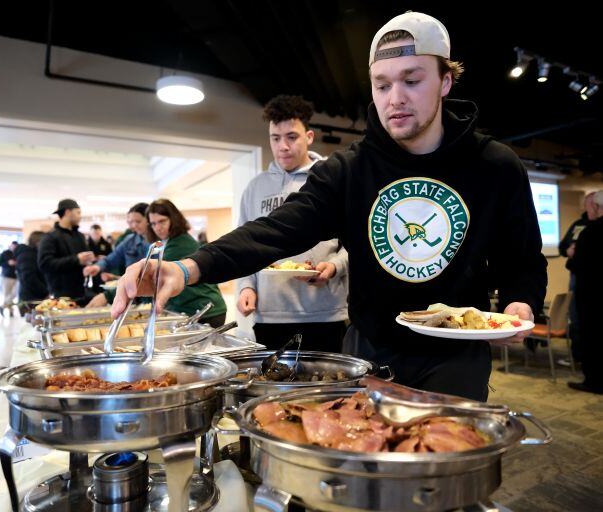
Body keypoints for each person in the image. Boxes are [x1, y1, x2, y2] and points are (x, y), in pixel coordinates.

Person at [112, 12, 547, 402]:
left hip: (456, 358)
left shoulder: (494, 165)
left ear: (445, 81)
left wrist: (519, 305)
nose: (394, 97)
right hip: (373, 351)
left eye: (412, 80)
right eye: (382, 84)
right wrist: (187, 268)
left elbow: (522, 260)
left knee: (448, 480)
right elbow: (276, 230)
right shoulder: (349, 170)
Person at [236, 95, 348, 351]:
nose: (283, 146)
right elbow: (245, 246)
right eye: (276, 138)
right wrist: (245, 287)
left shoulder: (330, 179)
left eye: (291, 137)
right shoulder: (255, 188)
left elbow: (357, 241)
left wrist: (334, 266)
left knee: (329, 389)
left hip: (325, 314)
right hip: (269, 315)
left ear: (308, 137)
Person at [147, 199, 227, 327]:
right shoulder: (168, 242)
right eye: (153, 224)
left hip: (205, 310)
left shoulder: (180, 244)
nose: (157, 227)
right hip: (195, 308)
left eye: (162, 221)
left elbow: (155, 277)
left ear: (173, 219)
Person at [566, 190, 603, 394]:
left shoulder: (591, 232)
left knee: (592, 336)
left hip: (591, 296)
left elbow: (577, 264)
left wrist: (572, 255)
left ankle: (593, 381)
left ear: (597, 208)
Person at [84, 203, 150, 307]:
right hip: (133, 299)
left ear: (149, 220)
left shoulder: (161, 243)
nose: (133, 225)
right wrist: (97, 266)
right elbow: (111, 259)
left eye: (138, 221)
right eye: (131, 222)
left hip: (154, 297)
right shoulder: (129, 240)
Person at [557, 192, 595, 366]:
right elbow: (562, 246)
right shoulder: (578, 224)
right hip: (577, 276)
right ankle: (578, 357)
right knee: (576, 316)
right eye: (589, 202)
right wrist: (569, 251)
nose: (592, 206)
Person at [38, 199, 95, 301]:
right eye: (78, 212)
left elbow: (84, 260)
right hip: (60, 295)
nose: (80, 216)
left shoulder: (80, 236)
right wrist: (76, 259)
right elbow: (45, 264)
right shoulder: (50, 237)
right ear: (68, 212)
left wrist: (90, 261)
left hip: (82, 292)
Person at [14, 231, 49, 311]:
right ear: (38, 242)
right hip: (30, 300)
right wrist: (45, 292)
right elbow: (29, 278)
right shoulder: (27, 255)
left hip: (33, 298)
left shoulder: (33, 254)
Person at [0, 241, 18, 317]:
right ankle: (11, 312)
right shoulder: (5, 253)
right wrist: (8, 263)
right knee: (7, 294)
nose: (14, 248)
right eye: (13, 246)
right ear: (10, 246)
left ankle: (2, 306)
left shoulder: (18, 253)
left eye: (15, 247)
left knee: (14, 293)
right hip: (7, 277)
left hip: (17, 277)